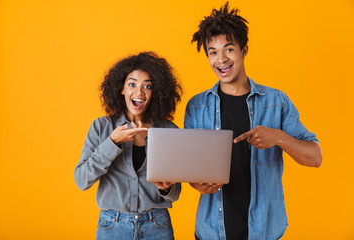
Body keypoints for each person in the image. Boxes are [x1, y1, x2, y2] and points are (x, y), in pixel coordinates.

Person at [184, 2, 322, 240]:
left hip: (264, 231)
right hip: (211, 231)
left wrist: (279, 137)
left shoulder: (276, 102)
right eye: (213, 52)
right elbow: (189, 170)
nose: (221, 60)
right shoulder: (197, 106)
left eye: (229, 49)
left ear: (244, 50)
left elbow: (315, 157)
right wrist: (196, 184)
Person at [75, 52, 182, 240]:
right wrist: (112, 143)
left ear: (155, 92)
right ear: (121, 89)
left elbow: (174, 195)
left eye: (147, 86)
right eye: (132, 84)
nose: (139, 93)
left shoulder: (168, 130)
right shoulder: (101, 127)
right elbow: (82, 180)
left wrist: (166, 188)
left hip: (157, 225)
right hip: (113, 226)